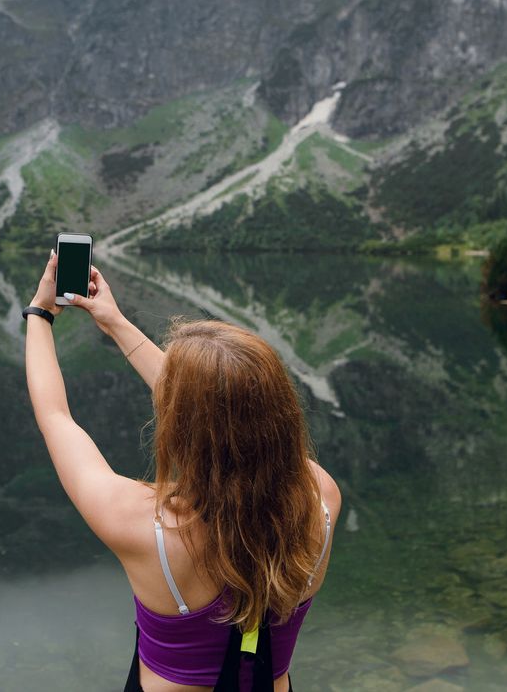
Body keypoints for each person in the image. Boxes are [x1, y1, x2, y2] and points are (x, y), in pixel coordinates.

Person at [24, 252, 342, 692]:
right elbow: (225, 415)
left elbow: (55, 415)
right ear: (282, 413)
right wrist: (114, 321)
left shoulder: (138, 523)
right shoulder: (320, 495)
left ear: (179, 424)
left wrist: (40, 313)